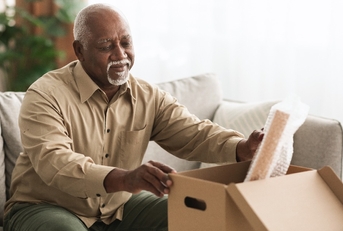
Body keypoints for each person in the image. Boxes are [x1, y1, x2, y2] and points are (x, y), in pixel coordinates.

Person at [4, 3, 263, 231]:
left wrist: (241, 148)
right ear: (80, 50)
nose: (120, 55)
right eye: (106, 46)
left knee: (201, 216)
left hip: (118, 207)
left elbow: (193, 134)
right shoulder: (45, 95)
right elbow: (56, 163)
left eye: (126, 43)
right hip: (46, 206)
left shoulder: (148, 96)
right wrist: (127, 178)